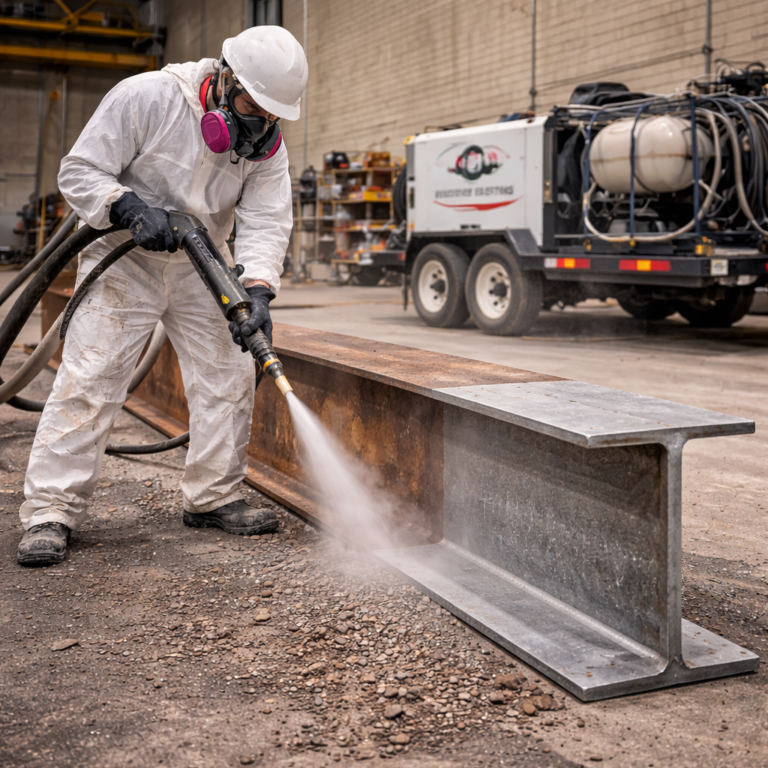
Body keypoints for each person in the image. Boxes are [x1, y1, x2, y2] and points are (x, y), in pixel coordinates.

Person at [16, 26, 308, 567]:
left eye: (271, 115)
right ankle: (50, 511)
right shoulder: (147, 96)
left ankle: (213, 497)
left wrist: (260, 289)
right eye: (250, 106)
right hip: (126, 257)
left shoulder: (266, 145)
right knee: (91, 377)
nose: (258, 124)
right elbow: (79, 171)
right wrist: (125, 207)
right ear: (223, 80)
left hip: (204, 262)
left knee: (229, 372)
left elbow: (267, 221)